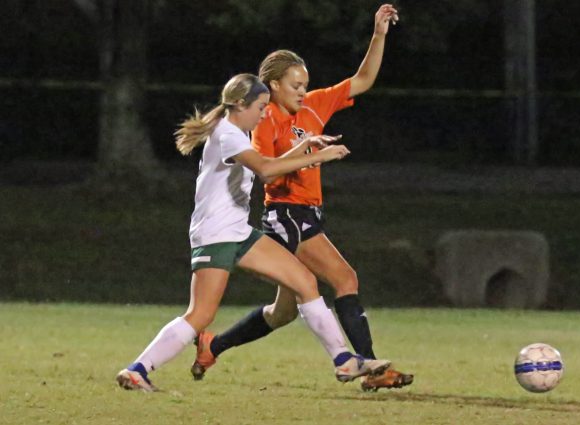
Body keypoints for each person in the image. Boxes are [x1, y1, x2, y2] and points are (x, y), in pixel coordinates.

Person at [115, 73, 391, 392]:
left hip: (240, 234)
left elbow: (263, 166)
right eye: (260, 107)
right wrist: (319, 156)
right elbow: (266, 170)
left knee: (305, 281)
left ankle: (344, 360)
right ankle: (138, 370)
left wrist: (302, 146)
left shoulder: (236, 134)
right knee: (200, 315)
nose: (263, 114)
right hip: (216, 236)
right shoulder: (228, 134)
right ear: (241, 105)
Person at [190, 4, 413, 392]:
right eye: (295, 85)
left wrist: (378, 34)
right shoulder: (264, 119)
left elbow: (361, 81)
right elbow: (266, 167)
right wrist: (314, 153)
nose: (303, 91)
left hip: (307, 213)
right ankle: (368, 368)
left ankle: (214, 345)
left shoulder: (312, 106)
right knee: (343, 278)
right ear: (273, 85)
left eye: (304, 84)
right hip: (285, 214)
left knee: (284, 311)